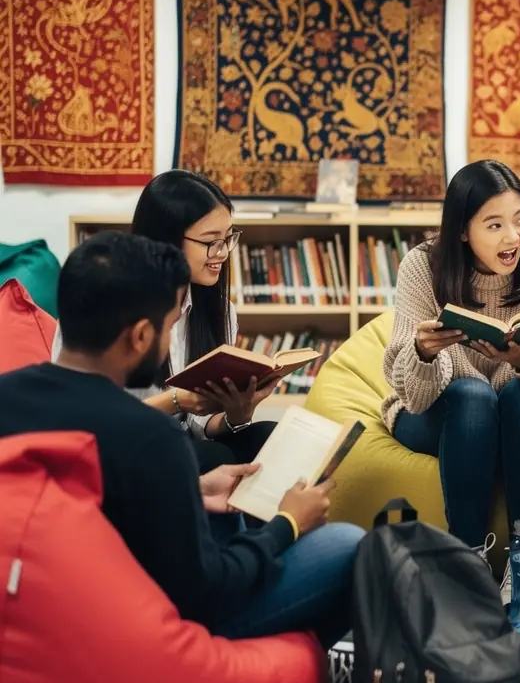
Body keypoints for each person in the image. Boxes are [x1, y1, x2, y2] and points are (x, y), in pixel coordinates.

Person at [1, 231, 363, 643]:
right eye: (170, 325)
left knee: (223, 518)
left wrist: (192, 488)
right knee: (346, 544)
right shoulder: (150, 437)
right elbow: (207, 592)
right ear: (139, 336)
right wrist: (288, 523)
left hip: (45, 605)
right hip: (138, 627)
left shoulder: (7, 396)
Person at [382, 160, 520, 582]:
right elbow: (413, 395)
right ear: (463, 230)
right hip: (441, 409)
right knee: (472, 397)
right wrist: (424, 352)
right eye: (494, 225)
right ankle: (467, 564)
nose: (513, 236)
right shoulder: (422, 268)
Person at [52, 170, 278, 472]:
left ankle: (278, 517)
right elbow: (86, 418)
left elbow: (197, 426)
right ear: (167, 239)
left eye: (227, 238)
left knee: (270, 437)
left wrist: (235, 414)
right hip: (122, 445)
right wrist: (175, 401)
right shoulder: (107, 302)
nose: (222, 253)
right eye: (211, 241)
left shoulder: (218, 310)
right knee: (212, 458)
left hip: (180, 441)